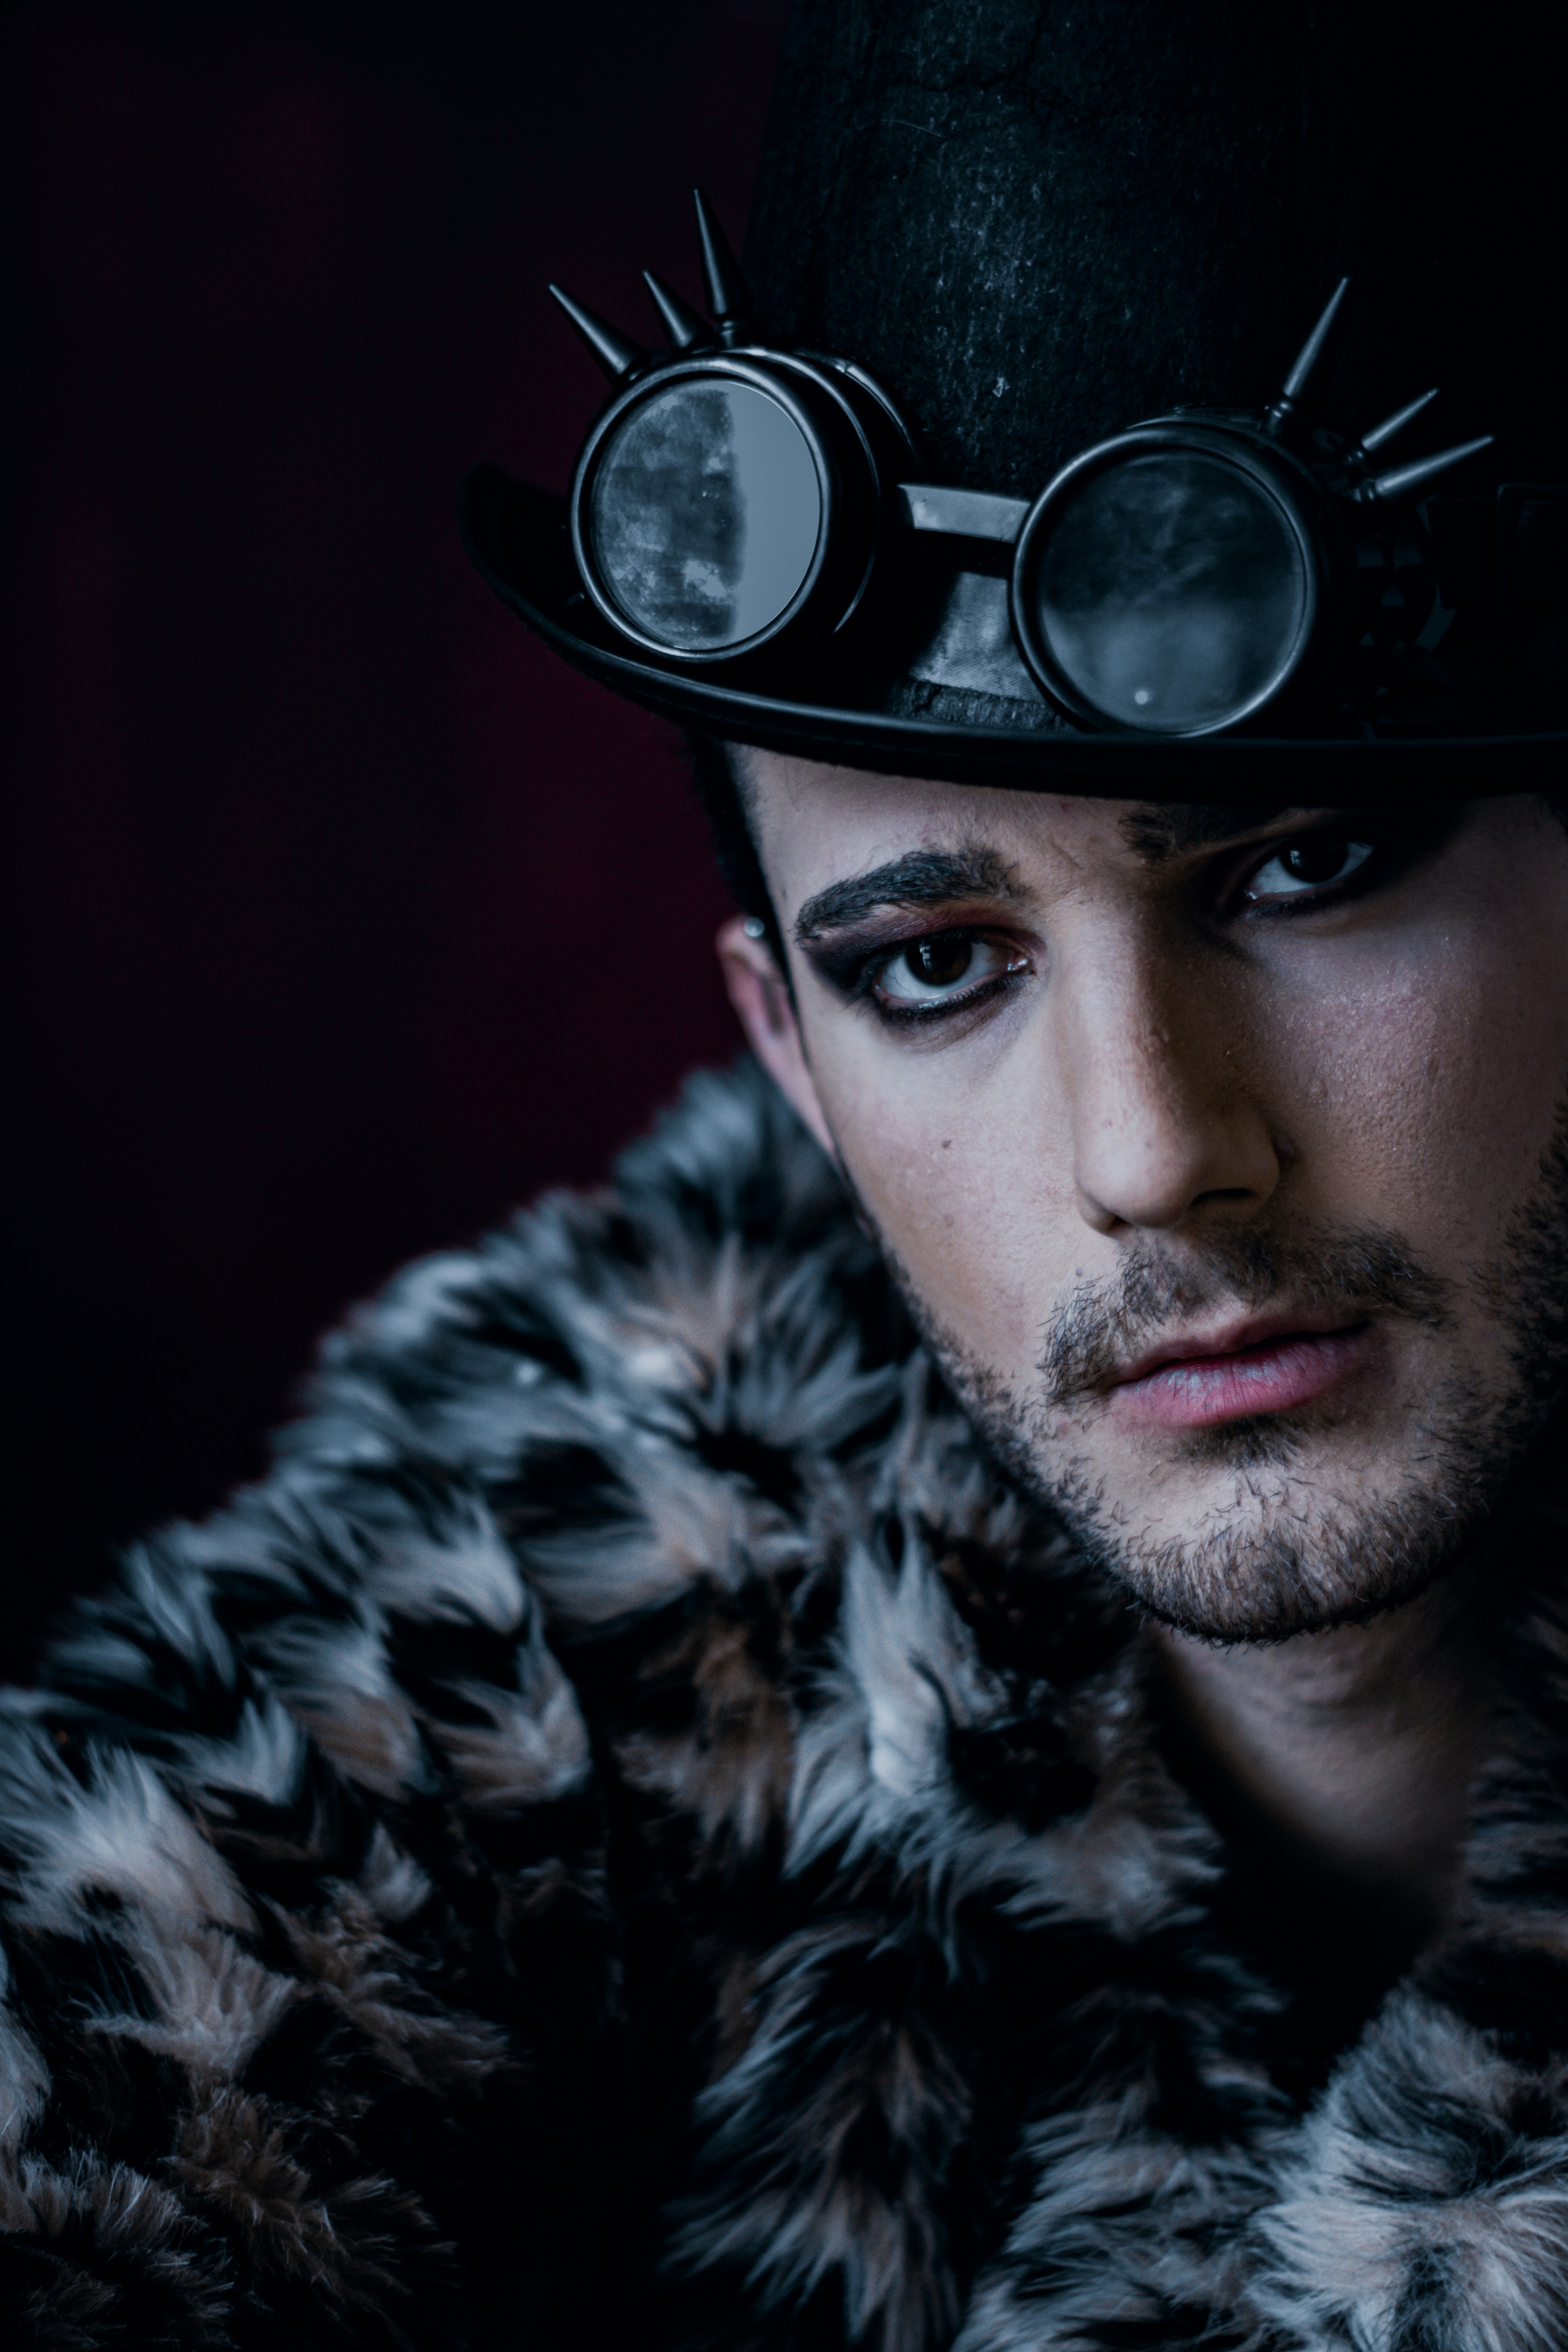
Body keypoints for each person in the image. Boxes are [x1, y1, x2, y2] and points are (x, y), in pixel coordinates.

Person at [4, 4, 1566, 2346]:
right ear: (787, 1056)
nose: (1155, 1152)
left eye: (1308, 861)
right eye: (939, 966)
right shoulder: (540, 1669)